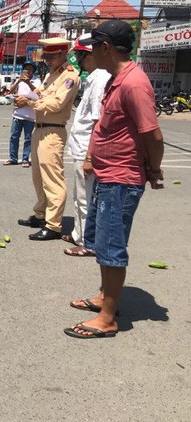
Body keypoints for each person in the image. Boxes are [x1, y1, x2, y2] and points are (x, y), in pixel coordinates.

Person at [65, 20, 164, 339]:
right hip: (109, 175)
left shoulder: (134, 83)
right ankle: (104, 298)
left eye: (94, 46)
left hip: (122, 179)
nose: (90, 53)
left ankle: (108, 317)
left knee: (111, 246)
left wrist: (154, 169)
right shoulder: (114, 79)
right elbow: (105, 124)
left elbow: (153, 134)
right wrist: (94, 157)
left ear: (106, 48)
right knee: (102, 241)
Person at [14, 37, 80, 241]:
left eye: (51, 57)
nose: (47, 60)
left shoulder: (70, 76)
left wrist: (30, 103)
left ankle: (53, 225)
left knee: (53, 179)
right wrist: (26, 95)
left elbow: (56, 104)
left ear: (63, 54)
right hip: (39, 129)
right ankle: (41, 214)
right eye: (46, 57)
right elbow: (41, 95)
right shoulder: (53, 75)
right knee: (38, 177)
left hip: (53, 131)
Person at [63, 35, 111, 256]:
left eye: (81, 57)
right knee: (79, 195)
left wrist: (90, 157)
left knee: (85, 198)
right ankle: (78, 233)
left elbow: (96, 122)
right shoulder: (92, 78)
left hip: (86, 151)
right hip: (81, 148)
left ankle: (87, 242)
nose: (79, 62)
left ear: (90, 55)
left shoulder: (100, 79)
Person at [3, 62, 40, 167]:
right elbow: (10, 92)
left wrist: (28, 83)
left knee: (28, 138)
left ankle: (25, 159)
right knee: (14, 137)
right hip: (17, 114)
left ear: (33, 71)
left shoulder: (36, 81)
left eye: (30, 69)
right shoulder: (19, 81)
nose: (28, 71)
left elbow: (38, 95)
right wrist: (19, 80)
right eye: (26, 69)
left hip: (30, 115)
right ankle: (13, 158)